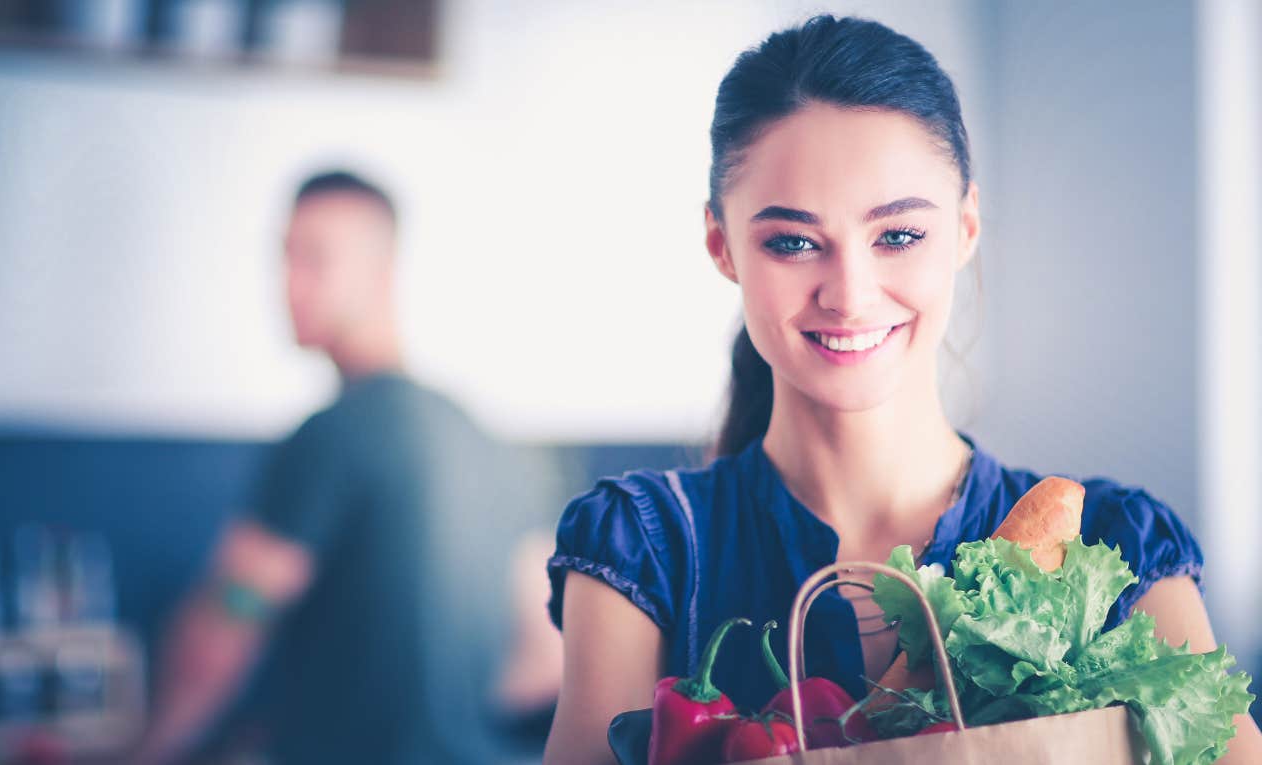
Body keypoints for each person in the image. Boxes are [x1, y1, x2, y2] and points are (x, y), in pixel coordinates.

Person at [541, 15, 1262, 764]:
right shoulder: (644, 550)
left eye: (898, 235)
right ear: (722, 246)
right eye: (793, 241)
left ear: (965, 226)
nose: (850, 295)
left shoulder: (1117, 550)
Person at [135, 170, 549, 764]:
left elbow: (227, 626)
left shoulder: (334, 434)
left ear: (382, 274)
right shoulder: (488, 440)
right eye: (284, 258)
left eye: (314, 259)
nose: (288, 284)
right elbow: (543, 660)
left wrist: (141, 750)